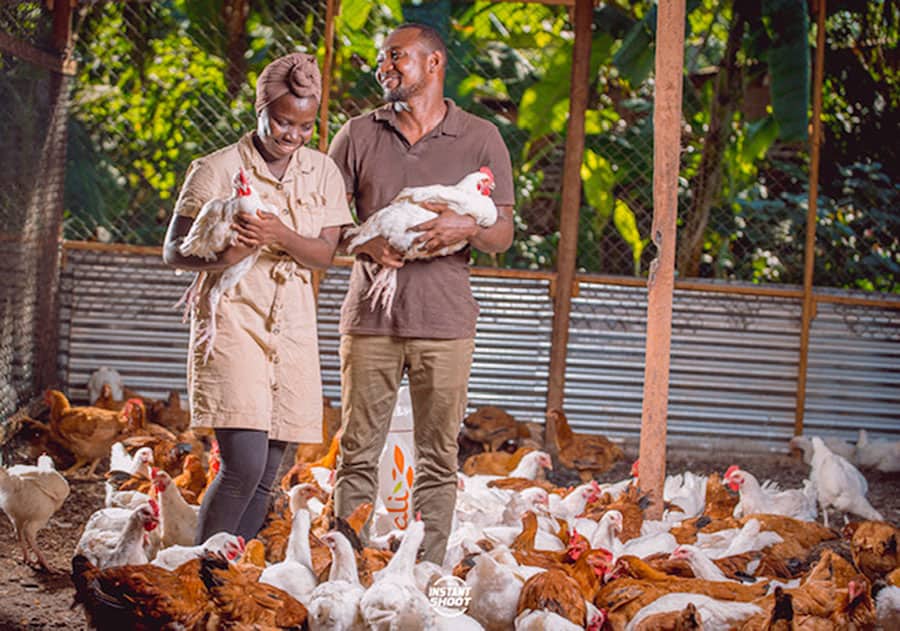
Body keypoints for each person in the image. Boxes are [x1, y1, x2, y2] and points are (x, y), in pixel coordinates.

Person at [328, 23, 515, 564]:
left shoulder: (481, 137)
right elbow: (328, 224)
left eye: (395, 57)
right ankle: (350, 567)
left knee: (438, 457)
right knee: (357, 453)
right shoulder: (357, 134)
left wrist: (466, 229)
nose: (384, 67)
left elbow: (502, 234)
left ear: (433, 64)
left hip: (445, 320)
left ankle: (424, 571)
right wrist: (362, 246)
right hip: (370, 318)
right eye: (382, 59)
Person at [162, 53, 353, 543]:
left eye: (305, 126)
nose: (292, 135)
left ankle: (233, 580)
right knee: (242, 467)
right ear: (260, 109)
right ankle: (202, 575)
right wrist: (225, 255)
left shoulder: (323, 172)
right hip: (231, 322)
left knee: (267, 478)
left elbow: (324, 255)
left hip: (292, 327)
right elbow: (173, 252)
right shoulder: (215, 169)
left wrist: (279, 233)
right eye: (283, 121)